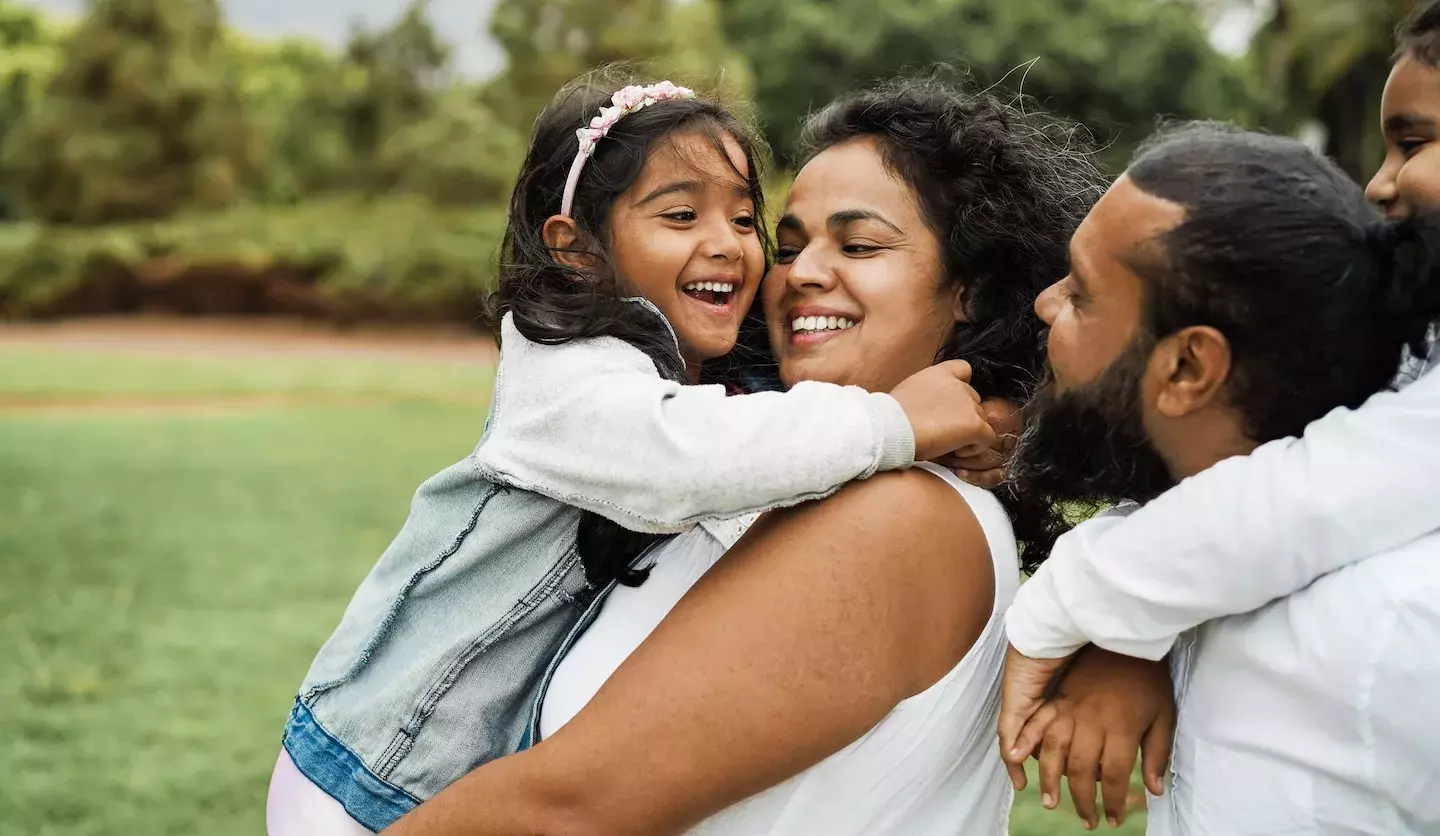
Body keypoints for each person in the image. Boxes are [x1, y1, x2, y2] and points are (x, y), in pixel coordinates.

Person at [381, 78, 1163, 836]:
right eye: (787, 247)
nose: (802, 275)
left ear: (971, 290)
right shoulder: (767, 460)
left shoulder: (901, 517)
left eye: (858, 244)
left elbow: (566, 810)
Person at [265, 72, 1003, 834]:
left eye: (746, 220)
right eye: (681, 214)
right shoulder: (568, 375)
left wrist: (987, 420)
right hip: (369, 766)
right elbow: (695, 458)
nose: (739, 249)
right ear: (578, 250)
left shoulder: (861, 487)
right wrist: (893, 424)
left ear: (970, 290)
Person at [997, 4, 1440, 825]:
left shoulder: (1392, 631)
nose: (1383, 182)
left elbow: (1327, 487)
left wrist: (1085, 601)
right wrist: (1140, 631)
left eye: (1416, 142)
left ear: (1192, 366)